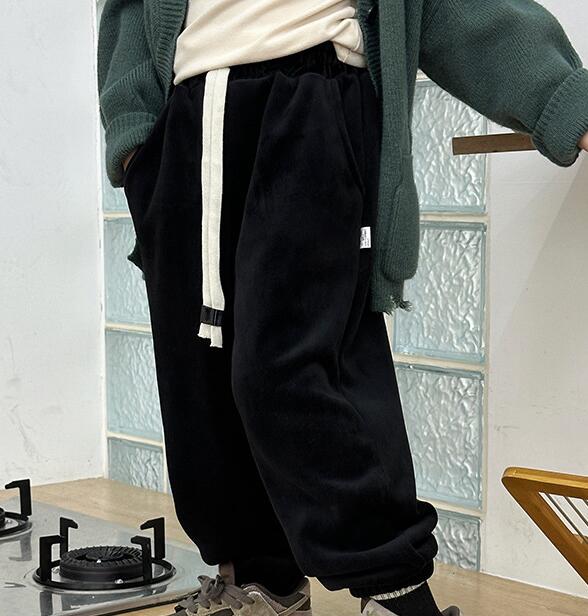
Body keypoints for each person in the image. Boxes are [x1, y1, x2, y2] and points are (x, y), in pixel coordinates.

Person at [97, 1, 588, 615]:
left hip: (310, 96)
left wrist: (566, 99)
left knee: (290, 370)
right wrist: (134, 136)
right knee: (199, 380)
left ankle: (398, 594)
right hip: (185, 122)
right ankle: (262, 582)